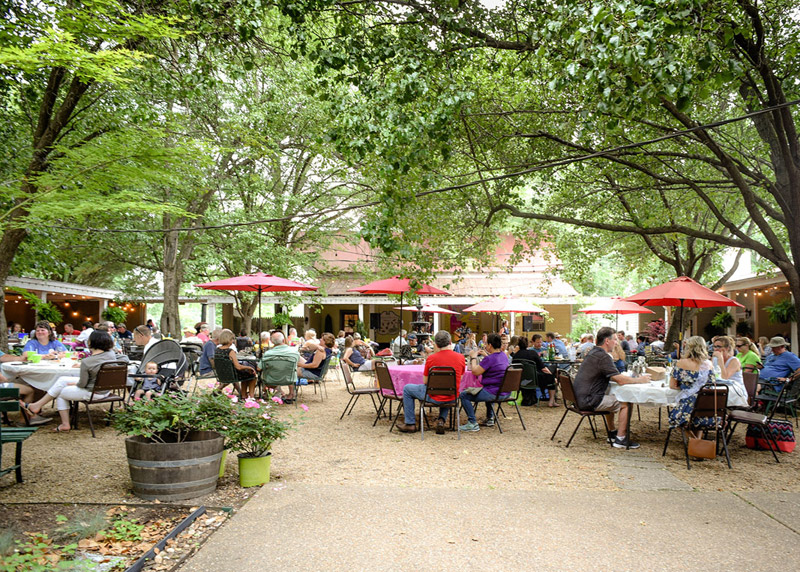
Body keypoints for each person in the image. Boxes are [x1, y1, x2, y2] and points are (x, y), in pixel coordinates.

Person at [22, 331, 129, 432]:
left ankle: (64, 424)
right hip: (104, 389)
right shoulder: (110, 354)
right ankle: (37, 405)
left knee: (61, 392)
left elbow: (82, 384)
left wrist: (75, 383)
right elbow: (125, 358)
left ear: (90, 342)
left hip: (93, 392)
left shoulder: (87, 362)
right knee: (62, 380)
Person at [572, 327, 650, 449]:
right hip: (588, 401)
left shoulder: (593, 352)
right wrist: (640, 380)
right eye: (615, 339)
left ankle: (612, 432)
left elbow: (614, 377)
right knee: (627, 401)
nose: (617, 342)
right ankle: (620, 439)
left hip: (579, 398)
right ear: (607, 341)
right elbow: (620, 380)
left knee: (613, 395)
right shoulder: (603, 357)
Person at [397, 330, 465, 434]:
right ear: (450, 342)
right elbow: (460, 377)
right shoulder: (460, 357)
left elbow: (425, 381)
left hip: (433, 396)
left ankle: (410, 423)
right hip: (452, 396)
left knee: (407, 388)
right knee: (447, 388)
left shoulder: (431, 358)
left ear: (436, 344)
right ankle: (441, 419)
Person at [668, 336, 719, 437]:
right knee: (698, 422)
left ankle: (695, 442)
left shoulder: (681, 363)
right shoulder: (709, 364)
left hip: (688, 407)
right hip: (707, 406)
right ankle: (697, 443)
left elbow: (672, 386)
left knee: (676, 420)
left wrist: (684, 386)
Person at [459, 333, 509, 432]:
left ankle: (472, 423)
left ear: (490, 345)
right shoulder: (503, 355)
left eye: (486, 344)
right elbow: (494, 362)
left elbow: (475, 371)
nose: (485, 346)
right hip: (505, 392)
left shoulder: (489, 359)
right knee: (487, 388)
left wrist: (473, 357)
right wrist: (487, 356)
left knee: (464, 395)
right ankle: (490, 418)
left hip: (493, 393)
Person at [511, 336, 555, 406]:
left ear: (518, 345)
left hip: (521, 380)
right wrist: (551, 375)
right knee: (551, 378)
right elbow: (543, 368)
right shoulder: (532, 353)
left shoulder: (515, 356)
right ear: (528, 344)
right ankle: (551, 400)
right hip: (536, 379)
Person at [215, 329, 257, 398]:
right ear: (229, 340)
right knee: (251, 374)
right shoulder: (230, 351)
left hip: (222, 374)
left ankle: (244, 395)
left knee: (246, 373)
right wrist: (249, 367)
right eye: (232, 339)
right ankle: (250, 396)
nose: (233, 341)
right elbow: (238, 367)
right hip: (232, 375)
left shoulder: (217, 349)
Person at [260, 331, 300, 402]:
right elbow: (298, 364)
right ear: (284, 340)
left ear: (272, 342)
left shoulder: (267, 354)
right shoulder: (294, 352)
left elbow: (259, 368)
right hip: (289, 379)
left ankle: (269, 393)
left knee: (266, 372)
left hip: (271, 380)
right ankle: (291, 394)